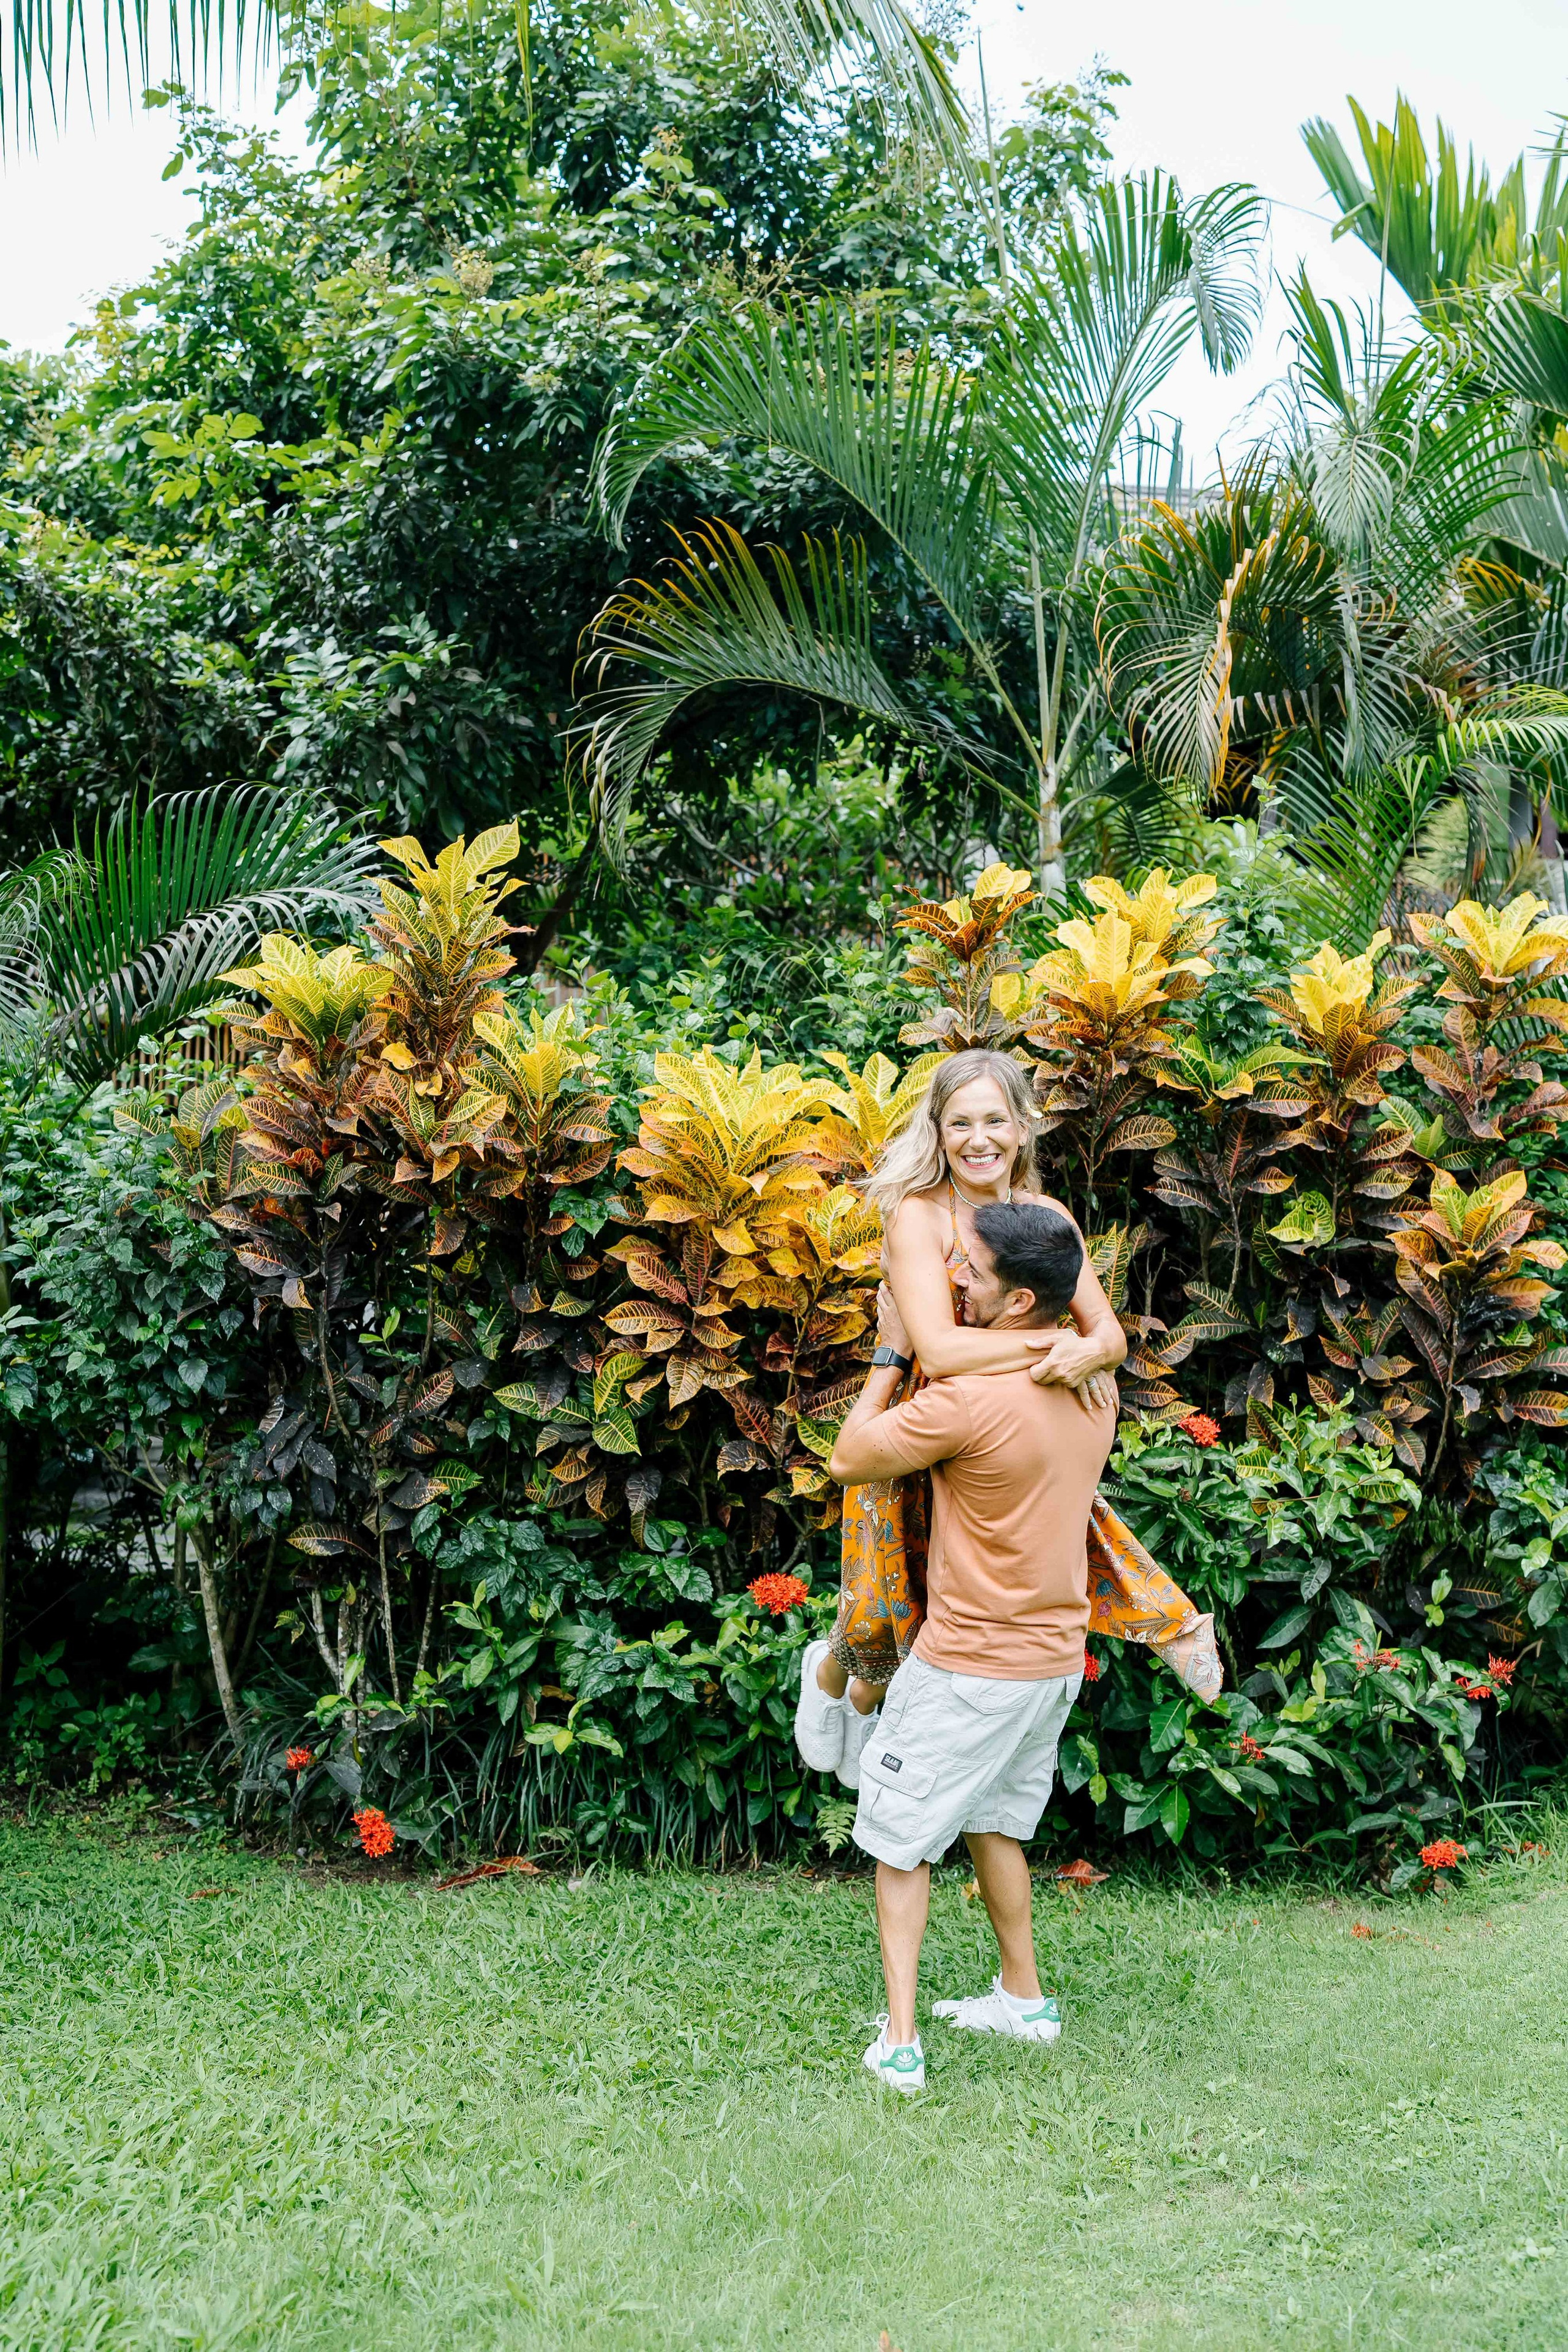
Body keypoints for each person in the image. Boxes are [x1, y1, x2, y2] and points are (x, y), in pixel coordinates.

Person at [824, 1200, 1116, 2092]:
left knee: (897, 1841)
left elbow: (850, 1457)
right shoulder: (1095, 1386)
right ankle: (1023, 2001)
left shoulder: (968, 1400)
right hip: (1051, 1665)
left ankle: (901, 2044)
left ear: (1021, 1303)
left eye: (973, 1272)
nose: (953, 1279)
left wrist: (888, 1352)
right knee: (995, 1821)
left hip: (967, 1669)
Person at [794, 1049, 1127, 1787]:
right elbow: (941, 1354)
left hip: (1000, 1445)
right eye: (960, 1123)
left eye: (994, 1120)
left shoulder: (1047, 1219)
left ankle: (884, 1732)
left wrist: (1091, 1350)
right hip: (922, 1421)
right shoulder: (919, 1215)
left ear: (1022, 1127)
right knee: (881, 1609)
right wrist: (1062, 1343)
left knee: (940, 1616)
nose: (979, 1140)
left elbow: (1112, 1334)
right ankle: (826, 1683)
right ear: (937, 1132)